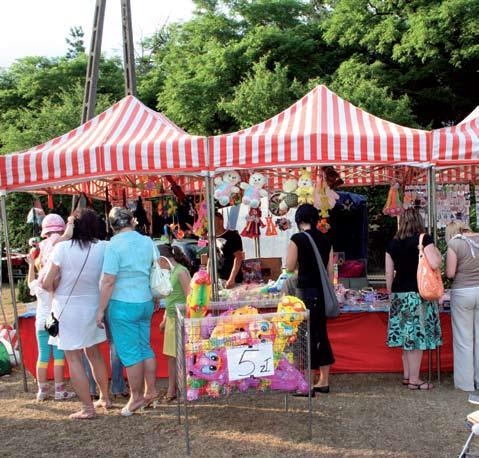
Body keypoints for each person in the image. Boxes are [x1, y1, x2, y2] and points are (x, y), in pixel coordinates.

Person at [43, 209, 111, 419]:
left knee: (74, 359)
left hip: (66, 308)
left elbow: (46, 282)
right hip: (93, 306)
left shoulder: (62, 248)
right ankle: (105, 398)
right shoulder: (104, 247)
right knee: (94, 354)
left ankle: (88, 409)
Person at [97, 207, 159, 416]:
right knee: (144, 347)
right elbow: (156, 270)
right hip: (145, 300)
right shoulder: (147, 241)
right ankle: (150, 392)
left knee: (131, 353)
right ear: (132, 222)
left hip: (122, 302)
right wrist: (156, 297)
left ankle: (137, 397)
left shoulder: (113, 245)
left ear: (113, 226)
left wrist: (100, 310)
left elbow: (108, 280)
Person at [385, 208, 442, 391]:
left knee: (406, 337)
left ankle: (408, 375)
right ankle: (415, 380)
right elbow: (434, 263)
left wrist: (391, 293)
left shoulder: (392, 243)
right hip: (418, 294)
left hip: (399, 294)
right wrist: (439, 255)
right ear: (418, 220)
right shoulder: (424, 239)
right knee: (416, 339)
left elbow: (388, 273)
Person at [286, 204, 335, 394]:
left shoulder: (297, 239)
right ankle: (323, 381)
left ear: (299, 220)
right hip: (321, 293)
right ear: (316, 219)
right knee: (321, 335)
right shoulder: (326, 240)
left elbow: (289, 266)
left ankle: (306, 384)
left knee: (304, 336)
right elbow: (330, 271)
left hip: (305, 293)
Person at [27, 213, 76, 402]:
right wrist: (71, 223)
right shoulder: (55, 279)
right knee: (58, 356)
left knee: (43, 355)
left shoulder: (38, 283)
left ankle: (41, 390)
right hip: (55, 320)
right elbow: (66, 237)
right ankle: (59, 390)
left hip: (41, 321)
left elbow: (30, 282)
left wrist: (32, 265)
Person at [445, 221, 479, 401]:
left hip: (462, 292)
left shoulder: (455, 243)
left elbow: (450, 273)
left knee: (463, 340)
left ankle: (465, 383)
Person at [158, 244, 191, 402]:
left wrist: (186, 319)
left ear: (163, 260)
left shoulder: (181, 272)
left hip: (180, 319)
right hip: (171, 318)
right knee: (171, 356)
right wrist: (165, 318)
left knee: (180, 356)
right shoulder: (171, 272)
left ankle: (183, 390)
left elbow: (190, 298)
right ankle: (173, 388)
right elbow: (169, 298)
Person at [214, 212, 243, 288]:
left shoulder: (232, 235)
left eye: (213, 221)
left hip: (233, 280)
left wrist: (232, 278)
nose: (210, 224)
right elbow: (210, 259)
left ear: (220, 221)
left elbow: (238, 257)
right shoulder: (212, 238)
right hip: (218, 280)